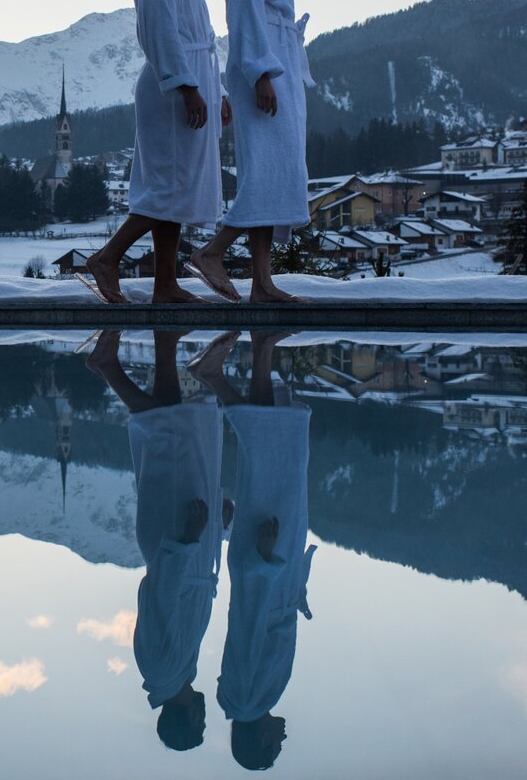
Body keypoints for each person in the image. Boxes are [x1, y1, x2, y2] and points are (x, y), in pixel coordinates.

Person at [83, 0, 230, 304]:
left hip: (189, 82)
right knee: (165, 185)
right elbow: (158, 29)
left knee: (177, 186)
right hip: (171, 90)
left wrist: (215, 90)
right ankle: (107, 258)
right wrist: (186, 86)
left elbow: (198, 35)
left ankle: (165, 284)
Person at [85, 329, 232, 752]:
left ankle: (117, 364)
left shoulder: (162, 666)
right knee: (174, 430)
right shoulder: (179, 669)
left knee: (169, 437)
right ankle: (150, 348)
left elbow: (161, 598)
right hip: (187, 542)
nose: (208, 717)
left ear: (185, 718)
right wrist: (217, 532)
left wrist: (187, 540)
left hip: (173, 536)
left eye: (201, 725)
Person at [190, 330, 316, 771]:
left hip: (267, 564)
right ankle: (234, 368)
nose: (283, 735)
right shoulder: (249, 699)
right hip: (273, 570)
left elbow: (246, 627)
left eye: (276, 744)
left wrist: (262, 560)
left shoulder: (246, 699)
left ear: (260, 740)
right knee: (273, 457)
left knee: (271, 460)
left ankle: (255, 353)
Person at [189, 0, 314, 304]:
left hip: (277, 58)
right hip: (262, 63)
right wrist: (260, 70)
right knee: (266, 171)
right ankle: (213, 252)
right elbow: (243, 5)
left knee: (278, 170)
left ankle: (262, 282)